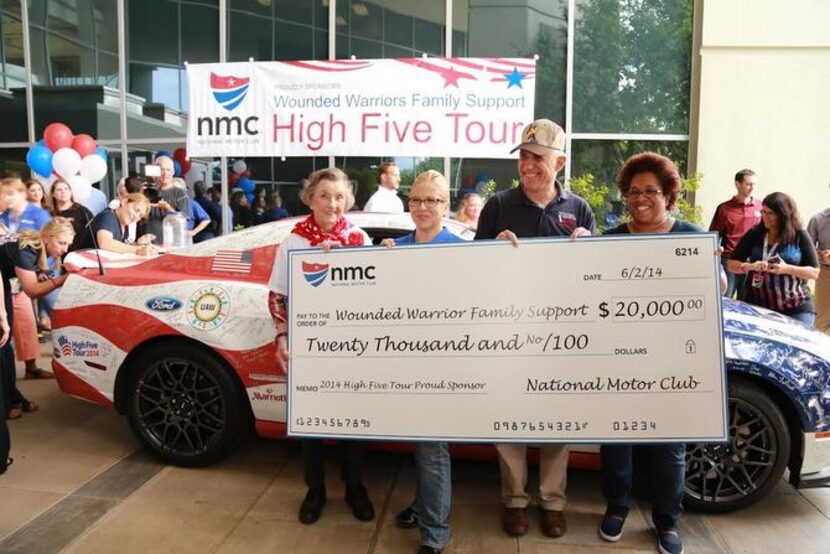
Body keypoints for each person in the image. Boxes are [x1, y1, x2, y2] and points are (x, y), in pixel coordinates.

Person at [475, 119, 596, 539]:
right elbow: (472, 271)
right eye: (524, 156)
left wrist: (587, 247)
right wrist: (492, 251)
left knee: (555, 420)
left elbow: (594, 278)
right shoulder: (497, 206)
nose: (527, 165)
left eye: (537, 158)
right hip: (508, 332)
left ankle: (552, 502)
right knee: (510, 420)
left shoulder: (578, 209)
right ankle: (514, 501)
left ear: (559, 162)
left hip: (560, 335)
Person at [597, 152, 704, 554]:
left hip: (671, 362)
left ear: (669, 195)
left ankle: (667, 521)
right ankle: (618, 506)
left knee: (669, 448)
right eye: (634, 191)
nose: (641, 198)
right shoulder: (611, 241)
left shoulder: (691, 239)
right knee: (616, 442)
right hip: (619, 359)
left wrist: (719, 275)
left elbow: (717, 292)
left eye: (651, 191)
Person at [270, 168, 374, 525]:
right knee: (311, 426)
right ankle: (315, 490)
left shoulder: (359, 238)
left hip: (351, 348)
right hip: (308, 348)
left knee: (352, 425)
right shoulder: (294, 241)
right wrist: (282, 337)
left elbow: (376, 293)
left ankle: (355, 488)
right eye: (325, 195)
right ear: (310, 199)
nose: (333, 203)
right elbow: (277, 295)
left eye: (340, 196)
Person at [382, 170, 460, 554]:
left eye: (432, 200)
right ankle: (426, 505)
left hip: (441, 368)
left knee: (431, 449)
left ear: (446, 205)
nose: (423, 207)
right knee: (422, 447)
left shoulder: (464, 250)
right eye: (416, 200)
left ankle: (434, 534)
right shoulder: (393, 248)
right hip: (401, 365)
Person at [728, 192, 819, 325]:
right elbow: (731, 264)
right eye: (763, 212)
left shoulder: (799, 235)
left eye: (770, 213)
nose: (765, 217)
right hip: (758, 307)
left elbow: (814, 272)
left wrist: (787, 269)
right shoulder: (755, 234)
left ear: (783, 214)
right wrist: (750, 266)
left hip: (796, 306)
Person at [1, 178, 53, 382]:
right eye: (5, 194)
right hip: (8, 278)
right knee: (7, 331)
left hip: (23, 277)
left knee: (27, 324)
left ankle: (31, 367)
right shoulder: (3, 217)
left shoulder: (36, 214)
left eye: (11, 193)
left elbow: (45, 242)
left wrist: (40, 269)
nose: (7, 198)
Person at [709, 169, 762, 298]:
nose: (752, 188)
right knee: (725, 298)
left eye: (754, 184)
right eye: (748, 184)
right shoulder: (724, 209)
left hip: (753, 262)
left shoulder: (761, 207)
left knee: (750, 302)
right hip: (729, 261)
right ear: (737, 184)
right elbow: (714, 235)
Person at [75, 193, 157, 256]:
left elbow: (120, 246)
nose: (136, 216)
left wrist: (138, 243)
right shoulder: (107, 217)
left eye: (140, 216)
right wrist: (138, 250)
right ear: (124, 202)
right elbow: (105, 243)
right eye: (136, 210)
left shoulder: (124, 224)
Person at [143, 156, 190, 244]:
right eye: (162, 170)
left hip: (172, 243)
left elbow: (183, 221)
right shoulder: (148, 191)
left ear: (173, 172)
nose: (165, 174)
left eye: (168, 170)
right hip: (149, 242)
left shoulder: (180, 193)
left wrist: (167, 207)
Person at [50, 179, 94, 250]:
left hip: (78, 254)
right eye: (59, 190)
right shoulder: (49, 214)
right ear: (53, 194)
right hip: (56, 256)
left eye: (66, 189)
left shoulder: (83, 211)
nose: (63, 192)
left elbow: (92, 234)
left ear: (70, 192)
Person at [807, 208, 830, 333]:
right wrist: (820, 255)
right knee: (822, 320)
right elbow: (806, 249)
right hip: (826, 274)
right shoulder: (818, 219)